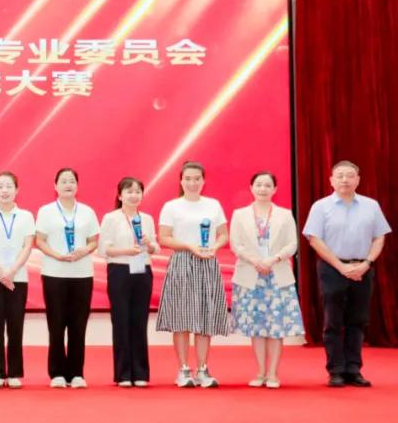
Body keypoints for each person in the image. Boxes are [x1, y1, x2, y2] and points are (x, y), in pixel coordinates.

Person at [303, 160, 390, 388]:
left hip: (362, 269)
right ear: (331, 180)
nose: (345, 180)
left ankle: (354, 369)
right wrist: (341, 267)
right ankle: (336, 370)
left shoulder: (371, 205)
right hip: (332, 268)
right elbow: (314, 240)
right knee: (333, 321)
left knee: (358, 320)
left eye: (350, 175)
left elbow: (379, 237)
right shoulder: (321, 206)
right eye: (340, 175)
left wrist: (367, 263)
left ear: (358, 180)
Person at [155, 161, 231, 388]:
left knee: (204, 318)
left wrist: (214, 247)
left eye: (197, 178)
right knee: (182, 319)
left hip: (207, 262)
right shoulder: (172, 206)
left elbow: (223, 234)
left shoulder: (213, 205)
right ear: (181, 181)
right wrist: (190, 247)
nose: (192, 182)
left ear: (203, 181)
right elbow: (164, 238)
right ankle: (183, 369)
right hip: (182, 263)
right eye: (188, 178)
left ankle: (203, 369)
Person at [230, 172, 303, 389]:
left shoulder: (284, 214)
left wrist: (272, 260)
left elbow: (292, 244)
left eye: (267, 185)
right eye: (258, 185)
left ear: (275, 189)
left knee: (276, 326)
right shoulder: (240, 214)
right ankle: (260, 371)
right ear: (251, 188)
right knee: (257, 327)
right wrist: (256, 261)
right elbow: (236, 244)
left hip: (277, 275)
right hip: (250, 275)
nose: (263, 189)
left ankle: (273, 373)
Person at [35, 168, 100, 389]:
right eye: (63, 181)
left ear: (77, 186)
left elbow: (93, 241)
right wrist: (56, 255)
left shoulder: (87, 212)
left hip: (82, 273)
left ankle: (76, 373)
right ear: (55, 186)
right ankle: (57, 373)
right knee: (56, 324)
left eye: (72, 181)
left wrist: (84, 251)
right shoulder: (46, 211)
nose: (68, 185)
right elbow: (40, 240)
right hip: (54, 272)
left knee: (78, 325)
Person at [97, 177, 161, 387]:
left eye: (137, 192)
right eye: (129, 191)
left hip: (143, 270)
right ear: (120, 195)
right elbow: (103, 249)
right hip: (120, 270)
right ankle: (123, 374)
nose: (134, 196)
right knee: (121, 321)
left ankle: (140, 373)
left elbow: (155, 247)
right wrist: (126, 250)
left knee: (139, 322)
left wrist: (149, 245)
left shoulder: (147, 218)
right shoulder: (111, 218)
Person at [0, 171, 35, 389]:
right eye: (0, 186)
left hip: (18, 278)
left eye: (9, 186)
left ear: (17, 190)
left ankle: (15, 373)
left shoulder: (26, 216)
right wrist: (1, 271)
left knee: (15, 326)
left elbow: (27, 246)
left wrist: (12, 271)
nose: (4, 190)